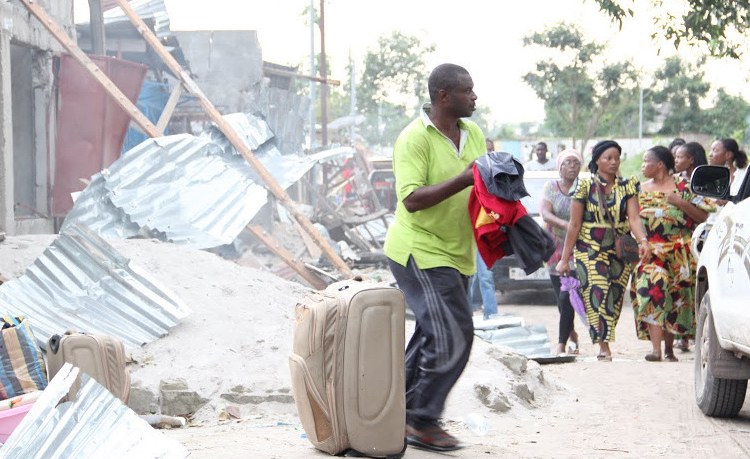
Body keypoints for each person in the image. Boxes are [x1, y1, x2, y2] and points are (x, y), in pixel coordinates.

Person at [384, 63, 485, 452]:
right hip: (419, 249)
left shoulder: (473, 132)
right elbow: (410, 200)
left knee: (432, 332)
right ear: (444, 96)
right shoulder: (414, 139)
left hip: (458, 251)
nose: (475, 97)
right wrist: (464, 178)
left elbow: (483, 182)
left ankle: (397, 411)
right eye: (468, 90)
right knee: (454, 334)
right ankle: (421, 420)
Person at [555, 140, 650, 361]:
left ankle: (603, 336)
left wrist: (643, 240)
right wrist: (565, 258)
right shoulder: (584, 186)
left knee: (615, 296)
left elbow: (634, 218)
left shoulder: (628, 185)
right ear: (597, 160)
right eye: (608, 158)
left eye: (617, 157)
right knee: (597, 291)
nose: (614, 162)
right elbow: (574, 224)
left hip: (619, 249)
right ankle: (603, 346)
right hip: (589, 247)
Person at [631, 146, 711, 362]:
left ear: (659, 165)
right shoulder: (639, 189)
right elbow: (633, 219)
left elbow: (703, 216)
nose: (643, 165)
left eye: (646, 161)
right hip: (651, 252)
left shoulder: (684, 186)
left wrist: (680, 203)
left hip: (679, 253)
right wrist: (642, 241)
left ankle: (669, 348)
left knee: (675, 298)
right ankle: (656, 349)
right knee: (652, 288)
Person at [540, 148, 582, 356]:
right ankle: (571, 332)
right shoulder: (551, 187)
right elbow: (545, 213)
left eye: (576, 162)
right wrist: (565, 224)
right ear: (560, 166)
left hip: (577, 249)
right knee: (561, 298)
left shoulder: (583, 188)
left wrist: (574, 228)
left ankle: (561, 343)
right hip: (555, 248)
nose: (572, 166)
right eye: (568, 162)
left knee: (568, 295)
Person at [468, 138, 500, 320]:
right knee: (471, 277)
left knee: (486, 276)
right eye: (484, 151)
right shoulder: (469, 174)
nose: (487, 155)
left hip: (485, 233)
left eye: (490, 151)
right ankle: (466, 314)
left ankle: (492, 314)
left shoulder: (496, 177)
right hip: (467, 232)